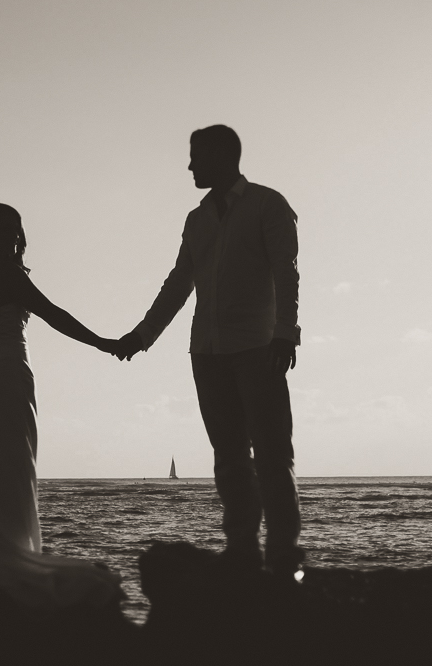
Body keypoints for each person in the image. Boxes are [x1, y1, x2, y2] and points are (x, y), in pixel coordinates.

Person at [112, 125, 304, 582]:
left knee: (274, 453)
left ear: (222, 155)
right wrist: (141, 336)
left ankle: (283, 557)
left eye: (196, 156)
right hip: (208, 351)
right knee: (229, 455)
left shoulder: (267, 204)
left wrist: (285, 333)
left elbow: (287, 271)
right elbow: (179, 284)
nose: (191, 165)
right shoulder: (197, 219)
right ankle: (241, 550)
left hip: (259, 346)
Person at [0, 202, 123, 608]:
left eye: (16, 231)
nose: (11, 237)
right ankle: (8, 560)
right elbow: (53, 315)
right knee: (12, 469)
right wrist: (104, 343)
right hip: (7, 375)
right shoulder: (8, 275)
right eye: (5, 230)